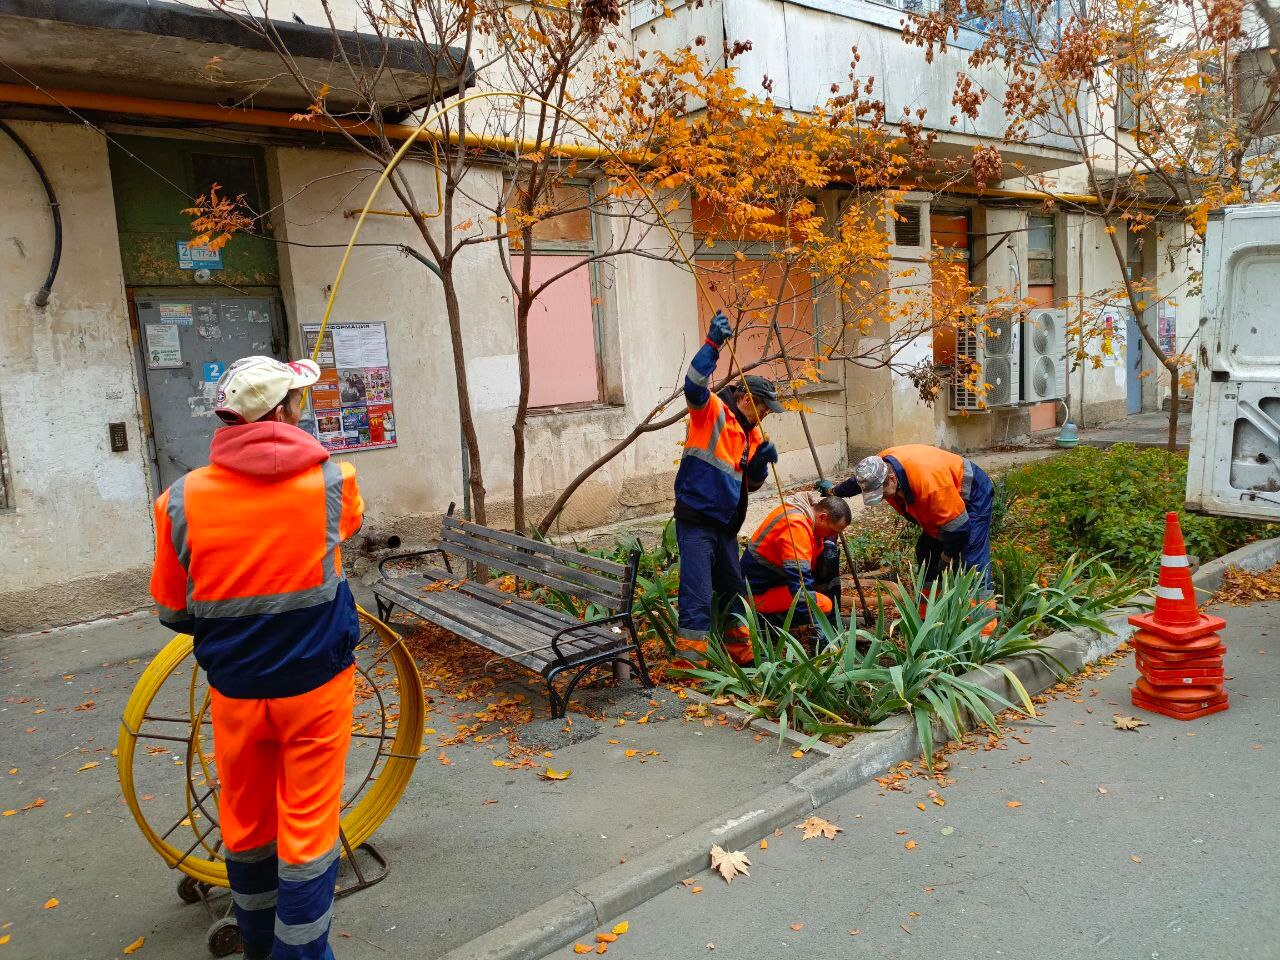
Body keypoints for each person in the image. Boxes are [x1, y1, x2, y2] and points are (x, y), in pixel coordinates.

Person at [150, 356, 365, 960]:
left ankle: (259, 944)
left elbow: (173, 610)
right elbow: (347, 528)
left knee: (246, 824)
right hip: (317, 687)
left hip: (237, 692)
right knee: (308, 826)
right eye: (298, 401)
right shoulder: (334, 480)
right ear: (285, 411)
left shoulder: (179, 501)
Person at [673, 311, 784, 664]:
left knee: (735, 594)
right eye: (765, 407)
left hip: (724, 527)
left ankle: (743, 660)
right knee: (698, 595)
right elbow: (693, 385)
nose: (767, 415)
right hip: (697, 522)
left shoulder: (751, 435)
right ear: (748, 399)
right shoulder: (712, 412)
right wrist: (712, 345)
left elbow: (749, 483)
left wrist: (759, 464)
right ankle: (689, 669)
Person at [823, 444, 994, 592]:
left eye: (881, 493)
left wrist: (947, 557)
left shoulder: (930, 488)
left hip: (971, 495)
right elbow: (859, 482)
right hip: (942, 502)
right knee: (926, 553)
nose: (881, 498)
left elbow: (960, 530)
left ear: (891, 479)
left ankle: (981, 626)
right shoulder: (877, 467)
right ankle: (930, 616)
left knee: (971, 560)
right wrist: (834, 491)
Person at [741, 492, 852, 630]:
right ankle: (766, 626)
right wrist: (817, 624)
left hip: (770, 585)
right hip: (754, 596)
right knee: (824, 605)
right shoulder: (796, 526)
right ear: (823, 517)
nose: (832, 536)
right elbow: (800, 581)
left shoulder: (805, 514)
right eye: (832, 531)